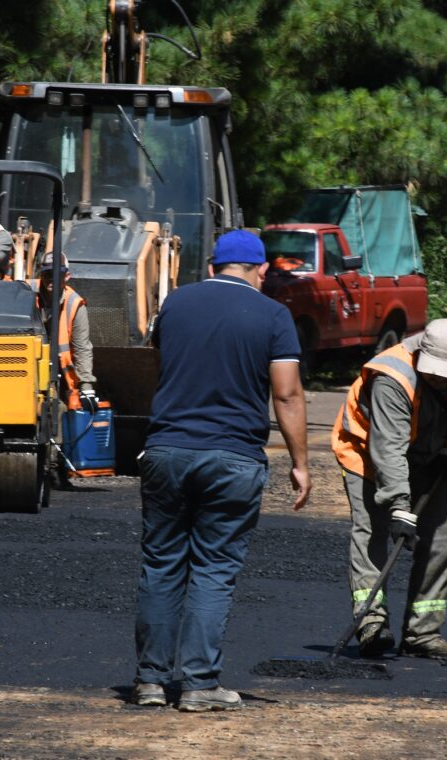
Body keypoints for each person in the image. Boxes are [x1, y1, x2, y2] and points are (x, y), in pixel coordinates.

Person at [132, 230, 311, 712]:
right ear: (261, 271)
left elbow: (159, 367)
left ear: (212, 267)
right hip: (232, 457)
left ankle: (150, 680)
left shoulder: (175, 305)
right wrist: (300, 463)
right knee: (213, 570)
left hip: (167, 450)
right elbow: (287, 394)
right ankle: (199, 684)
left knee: (162, 563)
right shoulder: (273, 315)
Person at [332, 318, 447, 661]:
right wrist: (399, 507)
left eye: (445, 371)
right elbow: (388, 448)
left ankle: (422, 633)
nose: (437, 376)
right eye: (432, 369)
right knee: (372, 534)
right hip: (368, 452)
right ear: (420, 351)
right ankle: (372, 625)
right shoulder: (392, 377)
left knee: (440, 540)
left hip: (435, 455)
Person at [36, 252, 98, 486]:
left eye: (57, 273)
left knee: (57, 408)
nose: (51, 278)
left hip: (55, 369)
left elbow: (82, 347)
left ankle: (52, 467)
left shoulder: (74, 303)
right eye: (46, 273)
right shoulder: (25, 293)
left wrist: (87, 385)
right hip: (28, 364)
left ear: (67, 276)